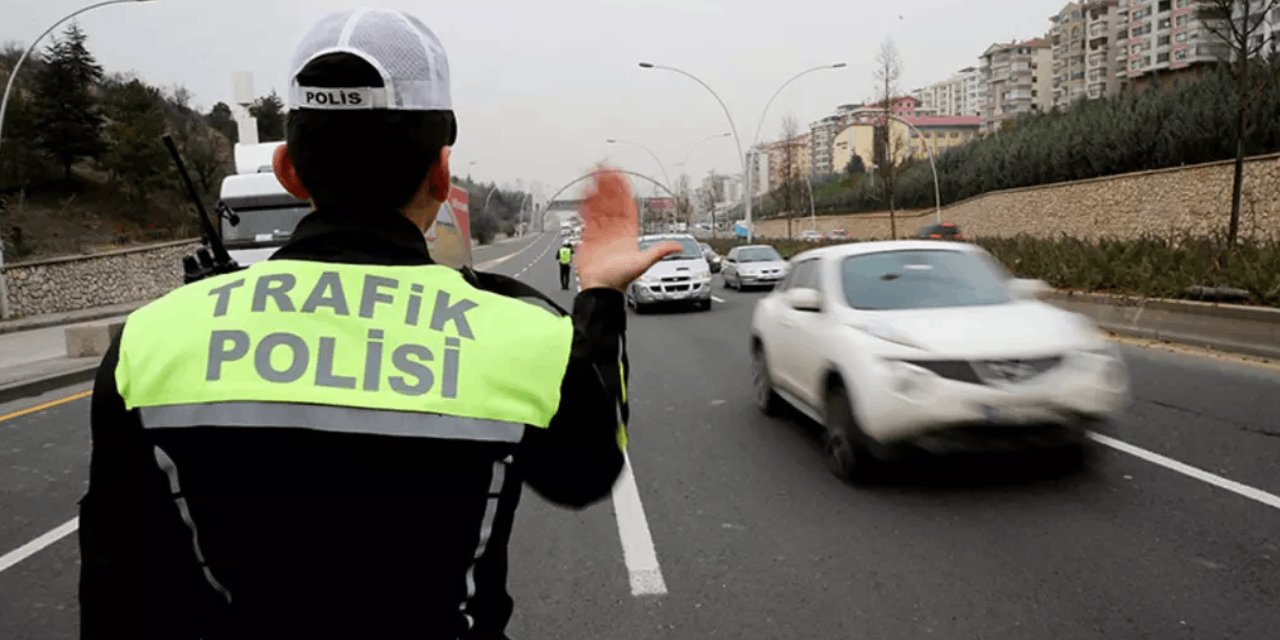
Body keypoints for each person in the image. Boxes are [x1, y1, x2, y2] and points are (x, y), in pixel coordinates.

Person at [77, 8, 679, 640]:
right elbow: (585, 471)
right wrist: (600, 297)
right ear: (441, 173)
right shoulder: (526, 337)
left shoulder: (150, 342)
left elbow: (118, 591)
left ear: (288, 170)